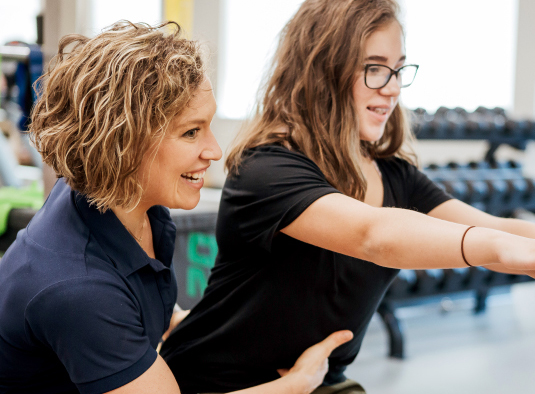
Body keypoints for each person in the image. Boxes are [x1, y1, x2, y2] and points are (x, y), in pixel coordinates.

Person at [159, 0, 535, 392]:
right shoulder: (269, 170)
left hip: (318, 381)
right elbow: (374, 235)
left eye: (397, 68)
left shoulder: (395, 175)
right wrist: (508, 256)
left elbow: (500, 225)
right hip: (215, 383)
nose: (391, 86)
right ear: (323, 70)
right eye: (373, 68)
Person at [0, 21, 352, 394]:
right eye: (191, 132)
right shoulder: (78, 288)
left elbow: (137, 307)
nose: (215, 151)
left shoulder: (119, 203)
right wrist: (298, 384)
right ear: (124, 141)